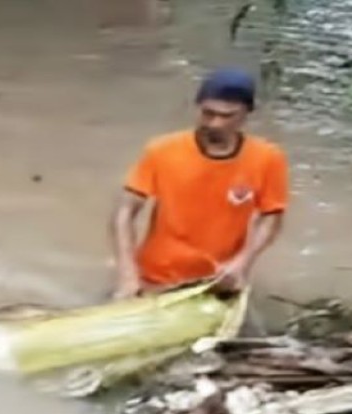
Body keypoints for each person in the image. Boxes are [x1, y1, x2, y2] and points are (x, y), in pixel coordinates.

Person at [109, 67, 289, 299]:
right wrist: (127, 272)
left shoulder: (268, 158)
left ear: (246, 113)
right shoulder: (162, 150)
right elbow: (124, 211)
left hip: (218, 280)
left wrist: (242, 262)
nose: (215, 123)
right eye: (208, 113)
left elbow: (271, 216)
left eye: (227, 116)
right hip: (155, 277)